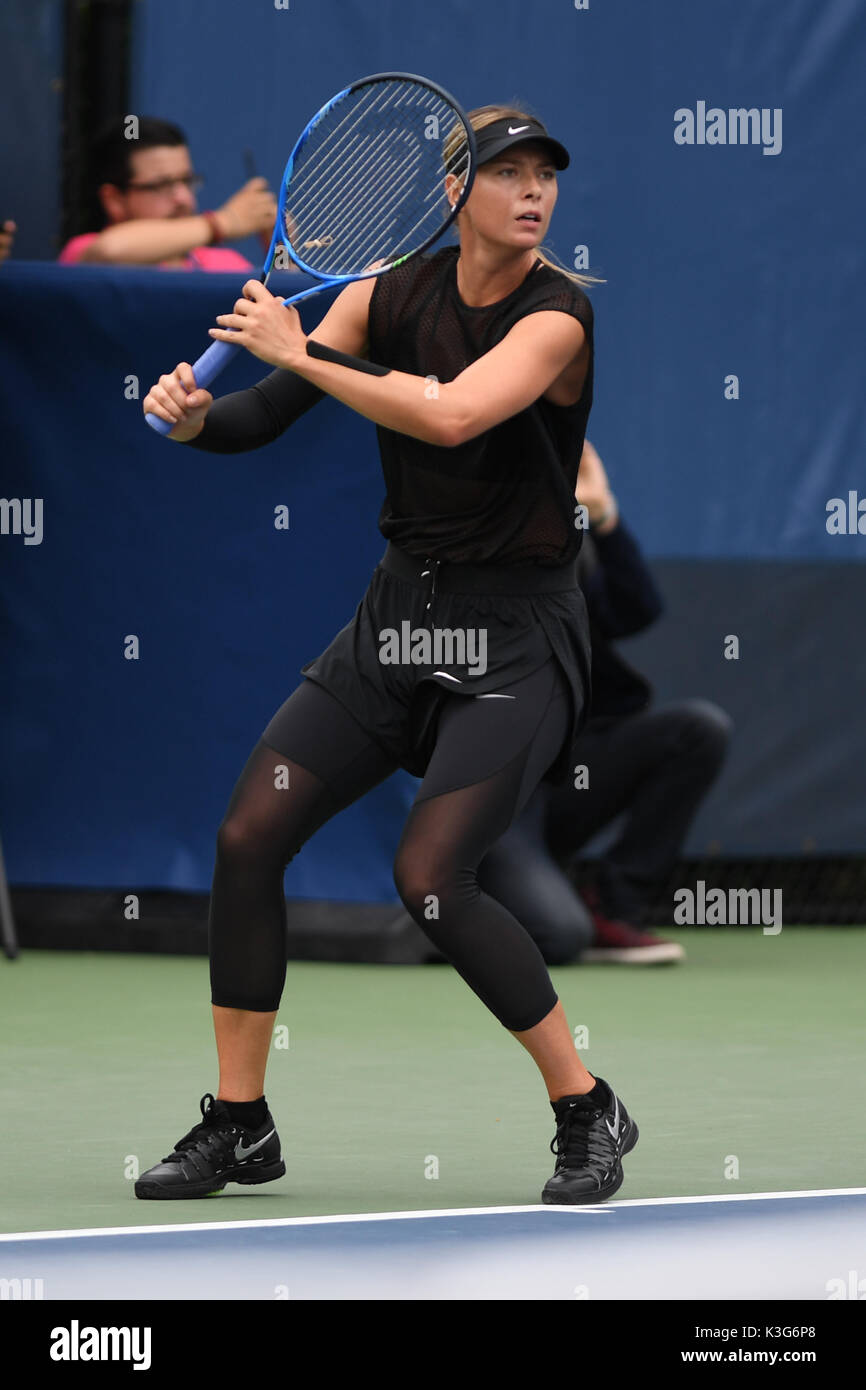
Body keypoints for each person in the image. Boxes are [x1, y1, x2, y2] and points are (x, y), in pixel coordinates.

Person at [137, 104, 639, 1206]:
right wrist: (192, 422)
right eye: (505, 171)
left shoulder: (556, 319)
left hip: (517, 634)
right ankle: (240, 1122)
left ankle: (583, 1105)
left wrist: (300, 352)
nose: (531, 190)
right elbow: (257, 413)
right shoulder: (386, 292)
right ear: (453, 192)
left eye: (543, 173)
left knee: (429, 879)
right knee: (249, 832)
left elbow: (453, 417)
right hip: (396, 622)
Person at [474, 439, 732, 965]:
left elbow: (637, 611)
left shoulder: (571, 539)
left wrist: (603, 516)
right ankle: (468, 901)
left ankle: (615, 907)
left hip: (572, 778)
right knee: (559, 936)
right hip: (496, 796)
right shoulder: (462, 546)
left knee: (697, 729)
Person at [57, 116, 275, 270]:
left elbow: (287, 308)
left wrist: (282, 252)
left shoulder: (226, 263)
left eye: (187, 181)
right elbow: (110, 252)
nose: (184, 198)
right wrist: (223, 222)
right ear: (114, 200)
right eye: (161, 185)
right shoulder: (84, 251)